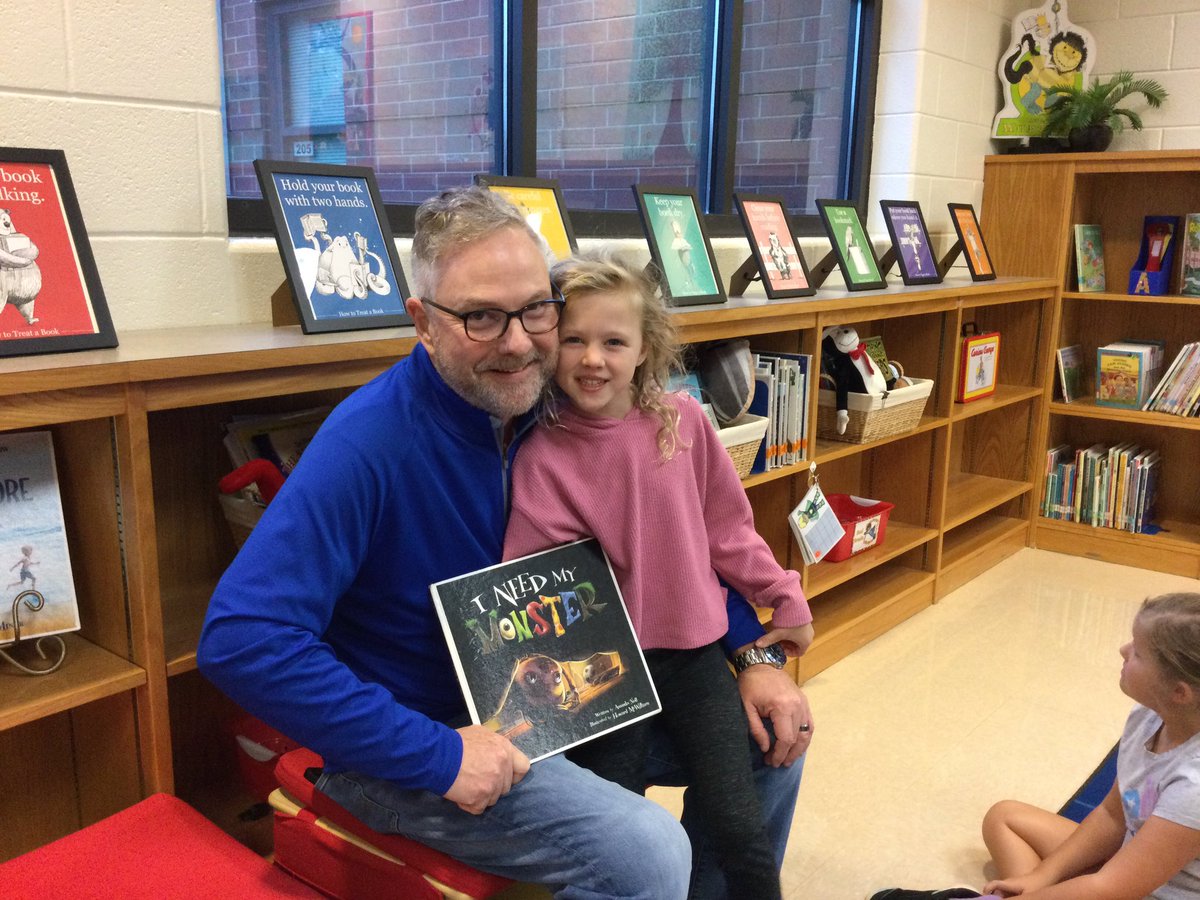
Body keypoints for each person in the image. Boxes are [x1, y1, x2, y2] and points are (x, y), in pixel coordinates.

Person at [198, 185, 811, 899]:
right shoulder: (368, 444)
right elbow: (241, 638)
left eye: (534, 309)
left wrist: (754, 653)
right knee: (645, 849)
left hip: (553, 701)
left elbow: (669, 540)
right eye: (481, 317)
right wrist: (433, 754)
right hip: (420, 744)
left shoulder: (548, 407)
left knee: (774, 741)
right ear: (423, 323)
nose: (519, 341)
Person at [503, 251, 814, 899]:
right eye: (574, 340)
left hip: (693, 656)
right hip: (603, 675)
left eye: (614, 341)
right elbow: (533, 582)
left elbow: (728, 531)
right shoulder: (541, 456)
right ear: (550, 348)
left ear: (645, 348)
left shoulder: (684, 423)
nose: (593, 359)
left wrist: (782, 597)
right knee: (623, 834)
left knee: (738, 823)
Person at [870, 592, 1200, 900]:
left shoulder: (1193, 788)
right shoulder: (1148, 716)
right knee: (1005, 818)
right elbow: (1113, 815)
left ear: (1180, 693)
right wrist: (1043, 875)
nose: (1123, 650)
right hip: (1132, 865)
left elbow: (1112, 887)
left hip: (1140, 888)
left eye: (1138, 653)